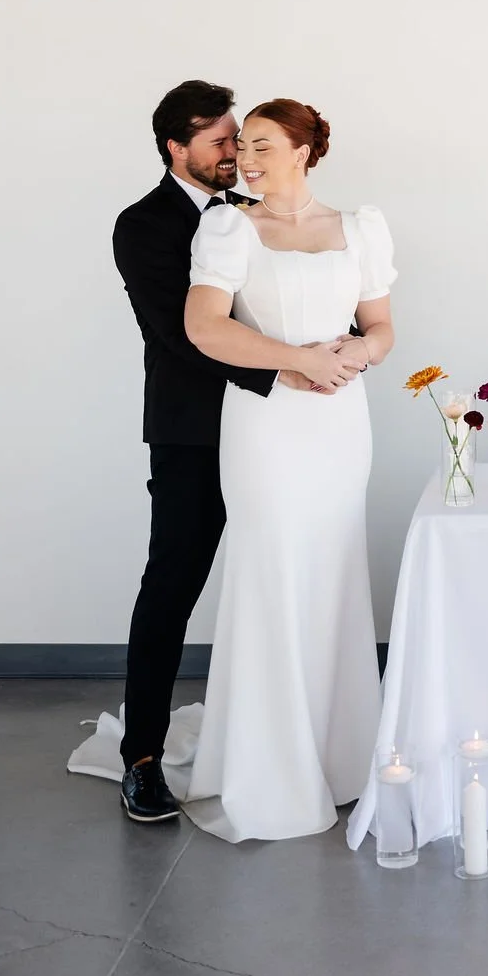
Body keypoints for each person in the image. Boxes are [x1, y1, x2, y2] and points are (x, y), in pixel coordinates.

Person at [90, 81, 355, 824]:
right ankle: (140, 757)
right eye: (220, 142)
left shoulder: (248, 214)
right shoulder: (140, 225)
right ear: (177, 148)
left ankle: (299, 745)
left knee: (289, 582)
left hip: (284, 432)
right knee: (172, 584)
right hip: (196, 431)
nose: (237, 153)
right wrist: (288, 365)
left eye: (241, 139)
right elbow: (179, 334)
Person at [168, 97, 393, 841]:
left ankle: (340, 761)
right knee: (272, 571)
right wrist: (297, 359)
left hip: (340, 423)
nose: (247, 159)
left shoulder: (357, 227)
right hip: (266, 425)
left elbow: (382, 326)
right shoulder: (230, 225)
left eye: (263, 145)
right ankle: (270, 769)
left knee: (333, 572)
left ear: (303, 150)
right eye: (243, 148)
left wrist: (354, 354)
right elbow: (204, 327)